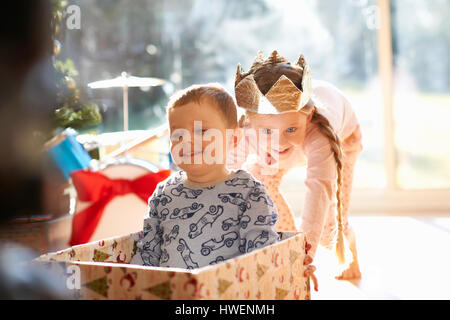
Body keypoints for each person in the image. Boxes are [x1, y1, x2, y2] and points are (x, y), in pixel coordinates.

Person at [229, 51, 363, 280]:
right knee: (257, 181)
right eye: (268, 131)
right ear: (251, 123)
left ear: (308, 117)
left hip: (344, 139)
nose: (279, 141)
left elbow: (319, 192)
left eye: (290, 129)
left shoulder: (321, 137)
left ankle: (348, 248)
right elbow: (226, 173)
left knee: (329, 228)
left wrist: (305, 254)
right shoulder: (248, 131)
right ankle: (285, 244)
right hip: (278, 151)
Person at [130, 84, 281, 269]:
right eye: (177, 134)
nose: (186, 140)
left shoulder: (249, 193)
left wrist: (293, 265)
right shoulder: (163, 194)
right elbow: (148, 253)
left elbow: (265, 256)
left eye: (201, 131)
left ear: (233, 139)